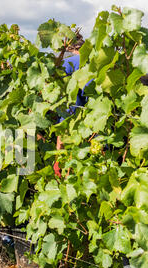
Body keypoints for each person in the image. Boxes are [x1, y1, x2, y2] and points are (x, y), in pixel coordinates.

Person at [53, 34, 91, 178]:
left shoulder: (73, 62)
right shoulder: (96, 61)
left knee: (68, 170)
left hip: (73, 126)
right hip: (96, 127)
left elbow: (52, 75)